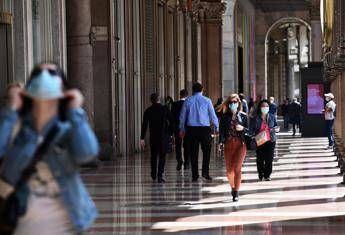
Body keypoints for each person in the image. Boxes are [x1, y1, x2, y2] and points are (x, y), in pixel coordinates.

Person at [0, 63, 100, 234]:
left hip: (68, 225)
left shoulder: (68, 128)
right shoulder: (16, 128)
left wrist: (75, 110)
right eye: (39, 72)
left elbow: (87, 152)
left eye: (52, 72)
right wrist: (11, 111)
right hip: (23, 225)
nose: (44, 75)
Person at [179, 83, 219, 182]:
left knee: (193, 153)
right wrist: (217, 126)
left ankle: (195, 175)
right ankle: (205, 172)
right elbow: (212, 115)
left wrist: (181, 129)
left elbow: (182, 116)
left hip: (191, 130)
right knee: (207, 151)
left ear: (192, 90)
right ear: (202, 89)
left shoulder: (188, 100)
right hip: (205, 129)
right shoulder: (207, 100)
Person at [218, 94, 248, 202]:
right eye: (230, 102)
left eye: (235, 102)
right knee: (229, 171)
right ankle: (233, 187)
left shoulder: (244, 116)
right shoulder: (224, 117)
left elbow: (250, 131)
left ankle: (236, 192)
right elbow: (221, 132)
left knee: (237, 168)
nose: (233, 104)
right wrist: (220, 143)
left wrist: (243, 128)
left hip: (241, 144)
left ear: (239, 103)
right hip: (228, 144)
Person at [140, 93, 174, 183]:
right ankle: (160, 175)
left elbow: (144, 125)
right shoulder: (165, 109)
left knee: (153, 155)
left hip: (153, 137)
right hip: (163, 136)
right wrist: (170, 133)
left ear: (151, 101)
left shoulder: (148, 110)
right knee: (162, 156)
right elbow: (172, 121)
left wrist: (142, 138)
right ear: (159, 99)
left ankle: (153, 173)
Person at [251, 99, 278, 181]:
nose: (265, 107)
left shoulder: (272, 116)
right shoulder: (256, 118)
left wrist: (276, 129)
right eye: (263, 106)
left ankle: (267, 175)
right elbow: (252, 129)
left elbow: (275, 126)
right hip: (260, 140)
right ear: (260, 108)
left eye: (267, 106)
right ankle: (260, 173)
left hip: (270, 140)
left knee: (269, 159)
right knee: (260, 159)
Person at [171, 89, 190, 171]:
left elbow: (172, 117)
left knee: (178, 145)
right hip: (187, 127)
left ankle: (179, 161)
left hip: (177, 128)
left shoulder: (175, 104)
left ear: (180, 95)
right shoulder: (189, 103)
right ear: (187, 96)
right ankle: (186, 163)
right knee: (187, 145)